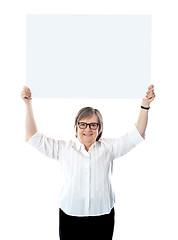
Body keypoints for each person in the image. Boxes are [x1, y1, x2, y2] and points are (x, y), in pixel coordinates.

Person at [21, 85, 155, 240]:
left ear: (99, 128)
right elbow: (32, 136)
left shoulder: (109, 148)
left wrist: (145, 104)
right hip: (70, 216)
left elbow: (138, 133)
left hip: (102, 216)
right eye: (83, 124)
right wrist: (28, 105)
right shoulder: (63, 149)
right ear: (76, 126)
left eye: (93, 125)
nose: (88, 129)